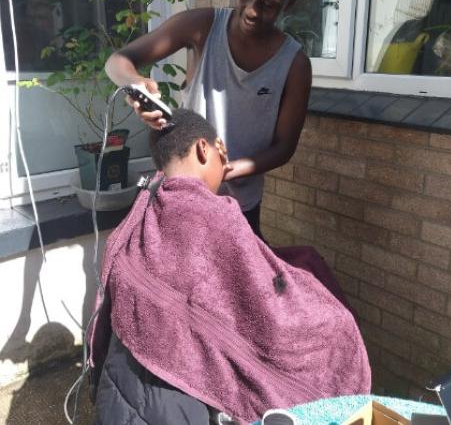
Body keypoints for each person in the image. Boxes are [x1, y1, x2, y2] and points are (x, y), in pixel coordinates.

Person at [89, 108, 371, 424]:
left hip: (125, 384)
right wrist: (335, 323)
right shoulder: (216, 216)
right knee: (336, 322)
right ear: (203, 149)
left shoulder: (146, 205)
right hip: (177, 403)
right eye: (222, 158)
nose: (224, 172)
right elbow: (268, 313)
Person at [105, 0, 312, 236]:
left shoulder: (294, 65)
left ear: (290, 1)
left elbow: (284, 147)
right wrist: (136, 85)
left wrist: (230, 169)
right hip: (182, 200)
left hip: (241, 210)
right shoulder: (202, 27)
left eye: (268, 5)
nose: (252, 11)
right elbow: (118, 61)